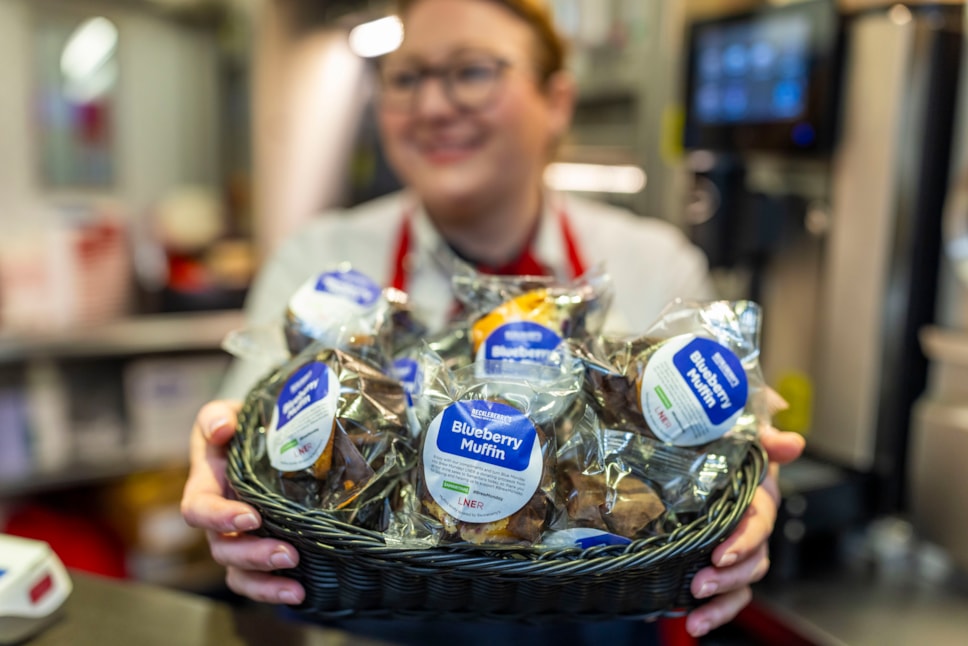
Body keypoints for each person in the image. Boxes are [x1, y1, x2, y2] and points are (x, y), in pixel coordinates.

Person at [181, 0, 806, 642]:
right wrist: (227, 482)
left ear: (556, 100)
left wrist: (748, 473)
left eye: (472, 71)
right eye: (406, 77)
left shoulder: (653, 265)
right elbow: (249, 432)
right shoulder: (319, 261)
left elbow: (719, 450)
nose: (431, 106)